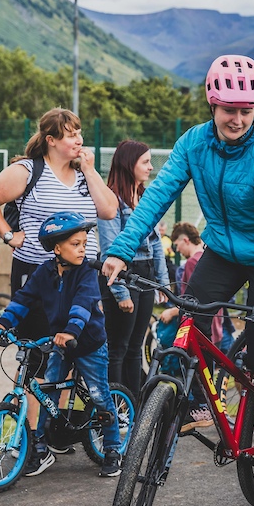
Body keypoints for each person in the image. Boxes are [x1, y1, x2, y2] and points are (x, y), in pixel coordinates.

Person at [101, 55, 254, 493]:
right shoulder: (194, 143)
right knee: (183, 327)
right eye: (229, 108)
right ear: (212, 105)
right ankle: (184, 404)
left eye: (246, 110)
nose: (237, 118)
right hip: (222, 254)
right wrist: (121, 248)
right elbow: (156, 197)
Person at [0, 213, 122, 477]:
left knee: (98, 396)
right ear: (57, 249)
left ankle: (113, 449)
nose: (83, 248)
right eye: (75, 244)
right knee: (46, 392)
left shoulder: (87, 273)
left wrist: (71, 331)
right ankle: (40, 449)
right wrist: (3, 323)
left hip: (88, 344)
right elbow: (23, 299)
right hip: (59, 343)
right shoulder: (44, 271)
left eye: (84, 242)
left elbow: (83, 305)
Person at [0, 108, 118, 343]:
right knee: (35, 350)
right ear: (51, 141)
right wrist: (8, 235)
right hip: (37, 272)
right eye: (70, 135)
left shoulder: (83, 174)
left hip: (81, 275)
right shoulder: (27, 170)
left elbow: (109, 211)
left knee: (75, 347)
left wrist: (89, 169)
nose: (79, 140)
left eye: (79, 133)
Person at [97, 140, 168, 395]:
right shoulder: (111, 199)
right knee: (118, 347)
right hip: (123, 276)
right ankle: (114, 408)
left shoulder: (146, 197)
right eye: (145, 162)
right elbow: (109, 249)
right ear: (129, 165)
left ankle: (135, 407)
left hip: (146, 275)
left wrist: (161, 282)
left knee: (136, 347)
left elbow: (156, 244)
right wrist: (120, 293)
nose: (150, 167)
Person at [156, 222, 219, 430]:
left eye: (177, 245)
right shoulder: (203, 257)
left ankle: (200, 407)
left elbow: (192, 299)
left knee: (193, 365)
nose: (177, 250)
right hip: (213, 325)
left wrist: (172, 310)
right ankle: (208, 406)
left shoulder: (193, 262)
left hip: (197, 325)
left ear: (185, 240)